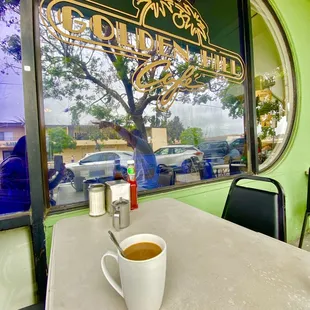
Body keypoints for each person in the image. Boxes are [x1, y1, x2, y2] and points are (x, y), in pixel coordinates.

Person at [0, 135, 66, 204]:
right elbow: (16, 186)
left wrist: (60, 174)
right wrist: (44, 177)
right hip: (21, 208)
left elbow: (46, 187)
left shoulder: (18, 161)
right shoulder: (15, 162)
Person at [95, 121, 158, 190]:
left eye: (127, 138)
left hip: (147, 188)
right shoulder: (135, 152)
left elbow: (130, 137)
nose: (126, 140)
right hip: (137, 186)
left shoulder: (145, 146)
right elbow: (134, 173)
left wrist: (112, 125)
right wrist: (124, 176)